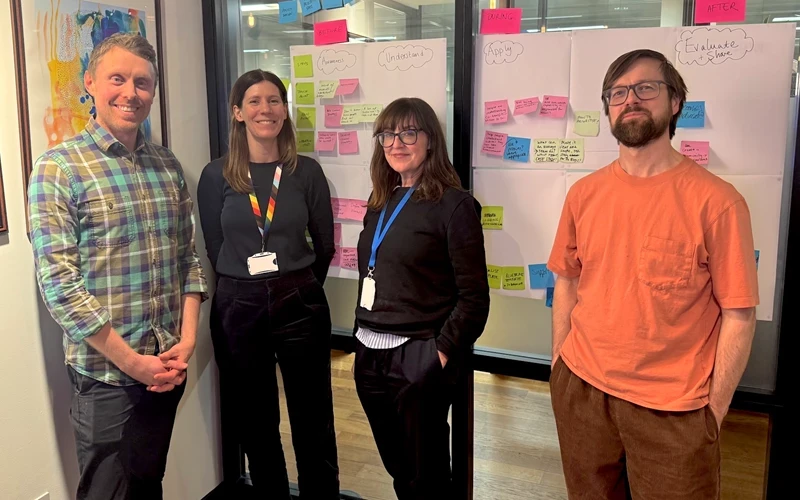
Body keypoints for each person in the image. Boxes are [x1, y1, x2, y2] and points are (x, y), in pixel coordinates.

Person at [547, 48, 759, 499]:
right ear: (607, 107)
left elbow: (739, 314)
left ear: (675, 101)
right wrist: (558, 363)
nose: (631, 100)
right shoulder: (584, 194)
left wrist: (714, 411)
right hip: (583, 393)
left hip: (675, 412)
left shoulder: (718, 202)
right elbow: (567, 279)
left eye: (646, 88)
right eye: (618, 92)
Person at [28, 33, 207, 499]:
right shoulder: (58, 169)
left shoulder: (167, 165)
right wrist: (134, 364)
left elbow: (187, 260)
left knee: (148, 485)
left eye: (143, 82)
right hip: (106, 378)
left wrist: (186, 342)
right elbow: (60, 288)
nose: (131, 92)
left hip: (166, 365)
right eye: (118, 78)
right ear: (90, 82)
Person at [197, 70, 339, 499]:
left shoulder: (306, 172)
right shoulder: (215, 175)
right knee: (256, 422)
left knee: (313, 418)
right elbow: (215, 247)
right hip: (239, 306)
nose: (266, 109)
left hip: (299, 299)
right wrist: (247, 286)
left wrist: (296, 285)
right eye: (255, 101)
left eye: (274, 100)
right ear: (238, 112)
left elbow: (325, 244)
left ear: (284, 110)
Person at [353, 97, 490, 499]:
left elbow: (474, 298)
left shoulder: (455, 206)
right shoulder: (380, 202)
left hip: (418, 356)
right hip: (369, 353)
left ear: (430, 140)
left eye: (409, 132)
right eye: (388, 135)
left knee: (426, 476)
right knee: (399, 470)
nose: (396, 143)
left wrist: (438, 354)